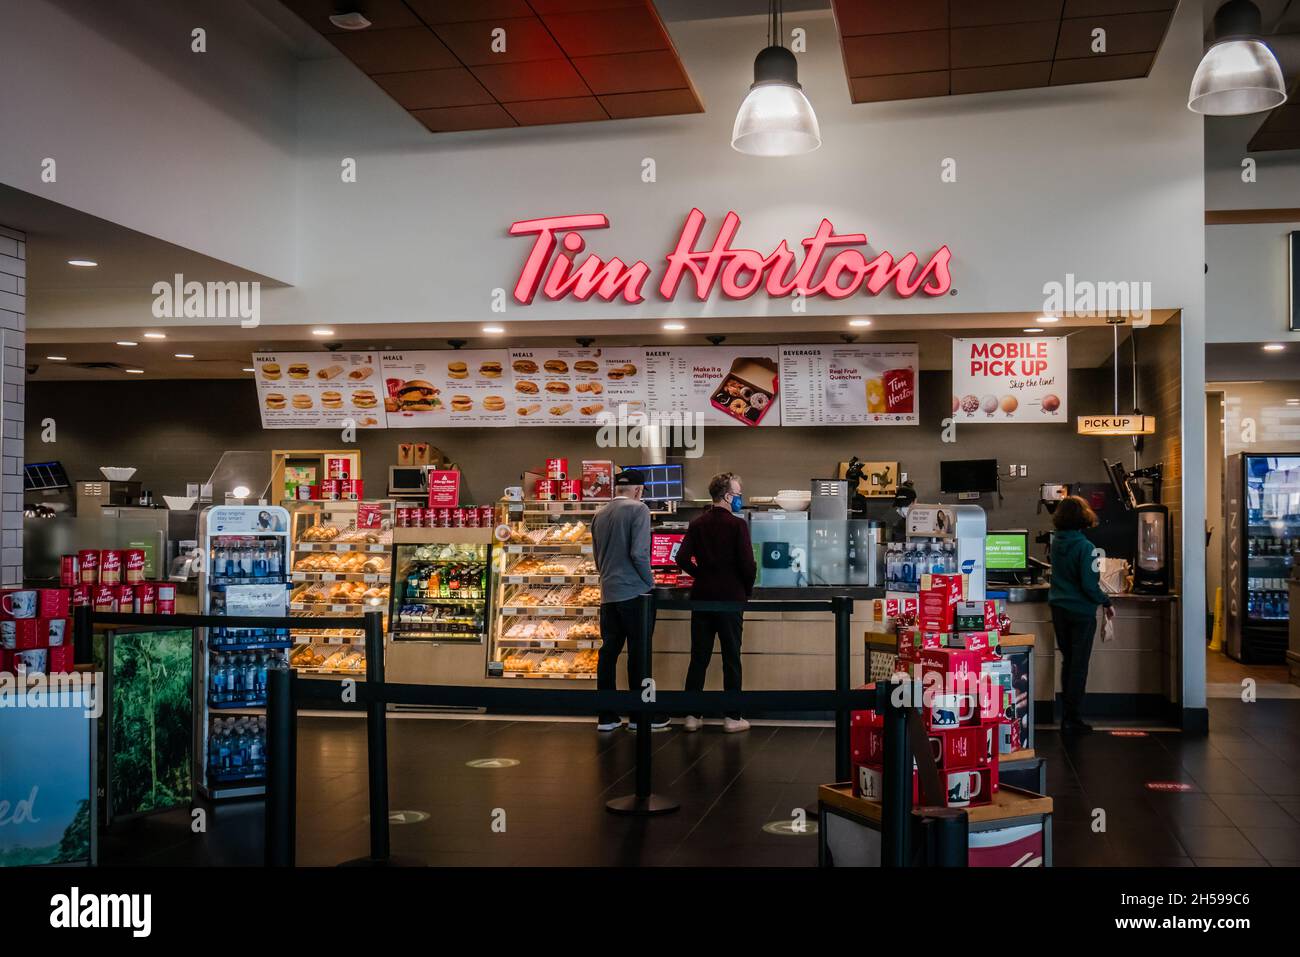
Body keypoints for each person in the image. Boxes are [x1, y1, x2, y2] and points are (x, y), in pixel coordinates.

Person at [676, 472, 757, 734]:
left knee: (699, 657)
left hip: (702, 597)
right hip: (731, 598)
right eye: (738, 492)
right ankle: (732, 717)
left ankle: (691, 715)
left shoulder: (697, 524)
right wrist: (746, 589)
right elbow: (748, 564)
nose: (740, 497)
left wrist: (702, 575)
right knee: (731, 657)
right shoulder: (738, 525)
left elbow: (682, 558)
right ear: (727, 496)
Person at [590, 471, 667, 733]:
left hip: (608, 594)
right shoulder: (639, 510)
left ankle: (606, 716)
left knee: (608, 653)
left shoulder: (600, 514)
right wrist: (650, 582)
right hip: (635, 594)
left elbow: (598, 559)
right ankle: (639, 715)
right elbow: (639, 553)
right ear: (638, 491)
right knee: (639, 654)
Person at [1048, 495, 1113, 734]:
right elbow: (1089, 585)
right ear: (1082, 517)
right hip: (1080, 613)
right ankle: (1073, 718)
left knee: (1068, 662)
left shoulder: (1056, 543)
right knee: (1079, 666)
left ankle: (1067, 715)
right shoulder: (1087, 548)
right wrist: (1106, 601)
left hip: (1059, 609)